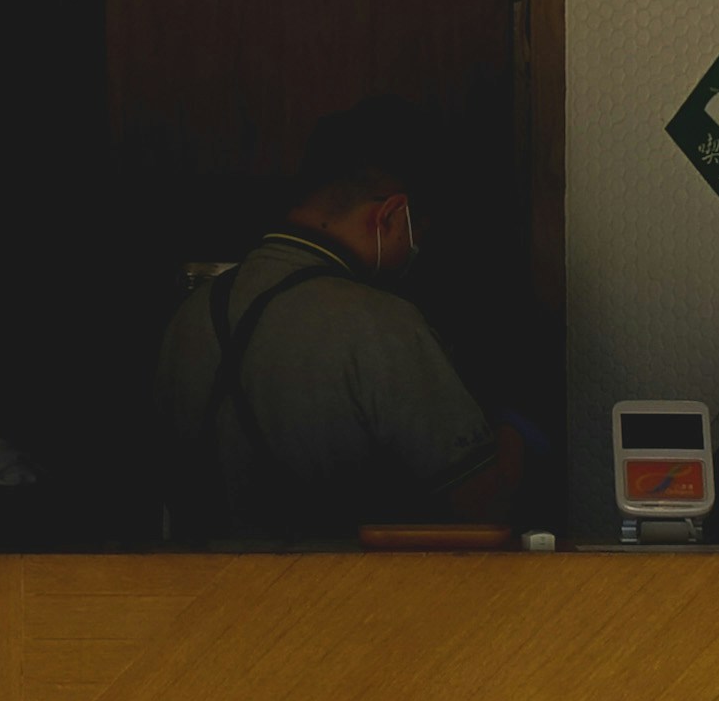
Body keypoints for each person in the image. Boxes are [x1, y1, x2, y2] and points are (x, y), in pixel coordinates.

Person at [158, 98, 522, 542]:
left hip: (202, 598)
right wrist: (520, 426)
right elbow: (484, 509)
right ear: (391, 215)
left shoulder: (190, 315)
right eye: (417, 236)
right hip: (341, 602)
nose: (414, 253)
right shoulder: (380, 323)